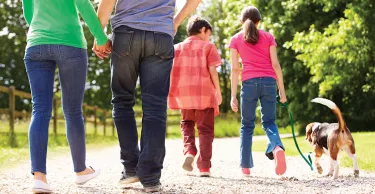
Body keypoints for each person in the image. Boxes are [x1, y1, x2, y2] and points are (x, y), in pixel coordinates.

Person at [93, 0, 202, 192]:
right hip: (161, 35)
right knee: (156, 106)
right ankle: (151, 177)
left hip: (126, 34)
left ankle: (131, 168)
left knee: (122, 101)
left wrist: (99, 33)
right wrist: (175, 22)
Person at [22, 0, 111, 193]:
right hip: (70, 42)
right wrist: (101, 37)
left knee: (40, 110)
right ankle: (81, 171)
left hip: (36, 43)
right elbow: (83, 6)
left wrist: (41, 29)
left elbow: (28, 11)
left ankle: (39, 177)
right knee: (72, 111)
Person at [228, 6, 287, 177]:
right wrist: (282, 91)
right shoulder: (268, 37)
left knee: (247, 125)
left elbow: (234, 70)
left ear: (241, 22)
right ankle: (276, 146)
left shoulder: (235, 39)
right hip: (269, 82)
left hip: (249, 84)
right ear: (259, 21)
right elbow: (276, 65)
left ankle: (245, 166)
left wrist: (233, 96)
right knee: (269, 122)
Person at [168, 16, 222, 177]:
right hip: (204, 93)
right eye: (209, 34)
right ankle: (204, 167)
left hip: (184, 94)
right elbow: (213, 70)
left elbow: (170, 71)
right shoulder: (208, 46)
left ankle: (189, 150)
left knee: (187, 123)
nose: (209, 37)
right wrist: (218, 90)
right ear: (203, 30)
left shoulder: (176, 48)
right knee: (205, 129)